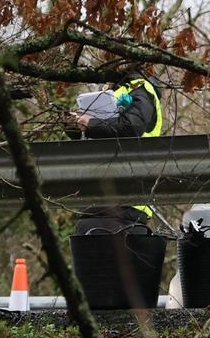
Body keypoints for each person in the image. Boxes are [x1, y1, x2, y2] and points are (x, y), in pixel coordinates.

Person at [69, 70, 164, 233]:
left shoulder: (142, 89)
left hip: (126, 204)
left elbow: (130, 128)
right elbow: (98, 134)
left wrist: (91, 124)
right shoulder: (111, 91)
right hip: (93, 202)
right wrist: (75, 124)